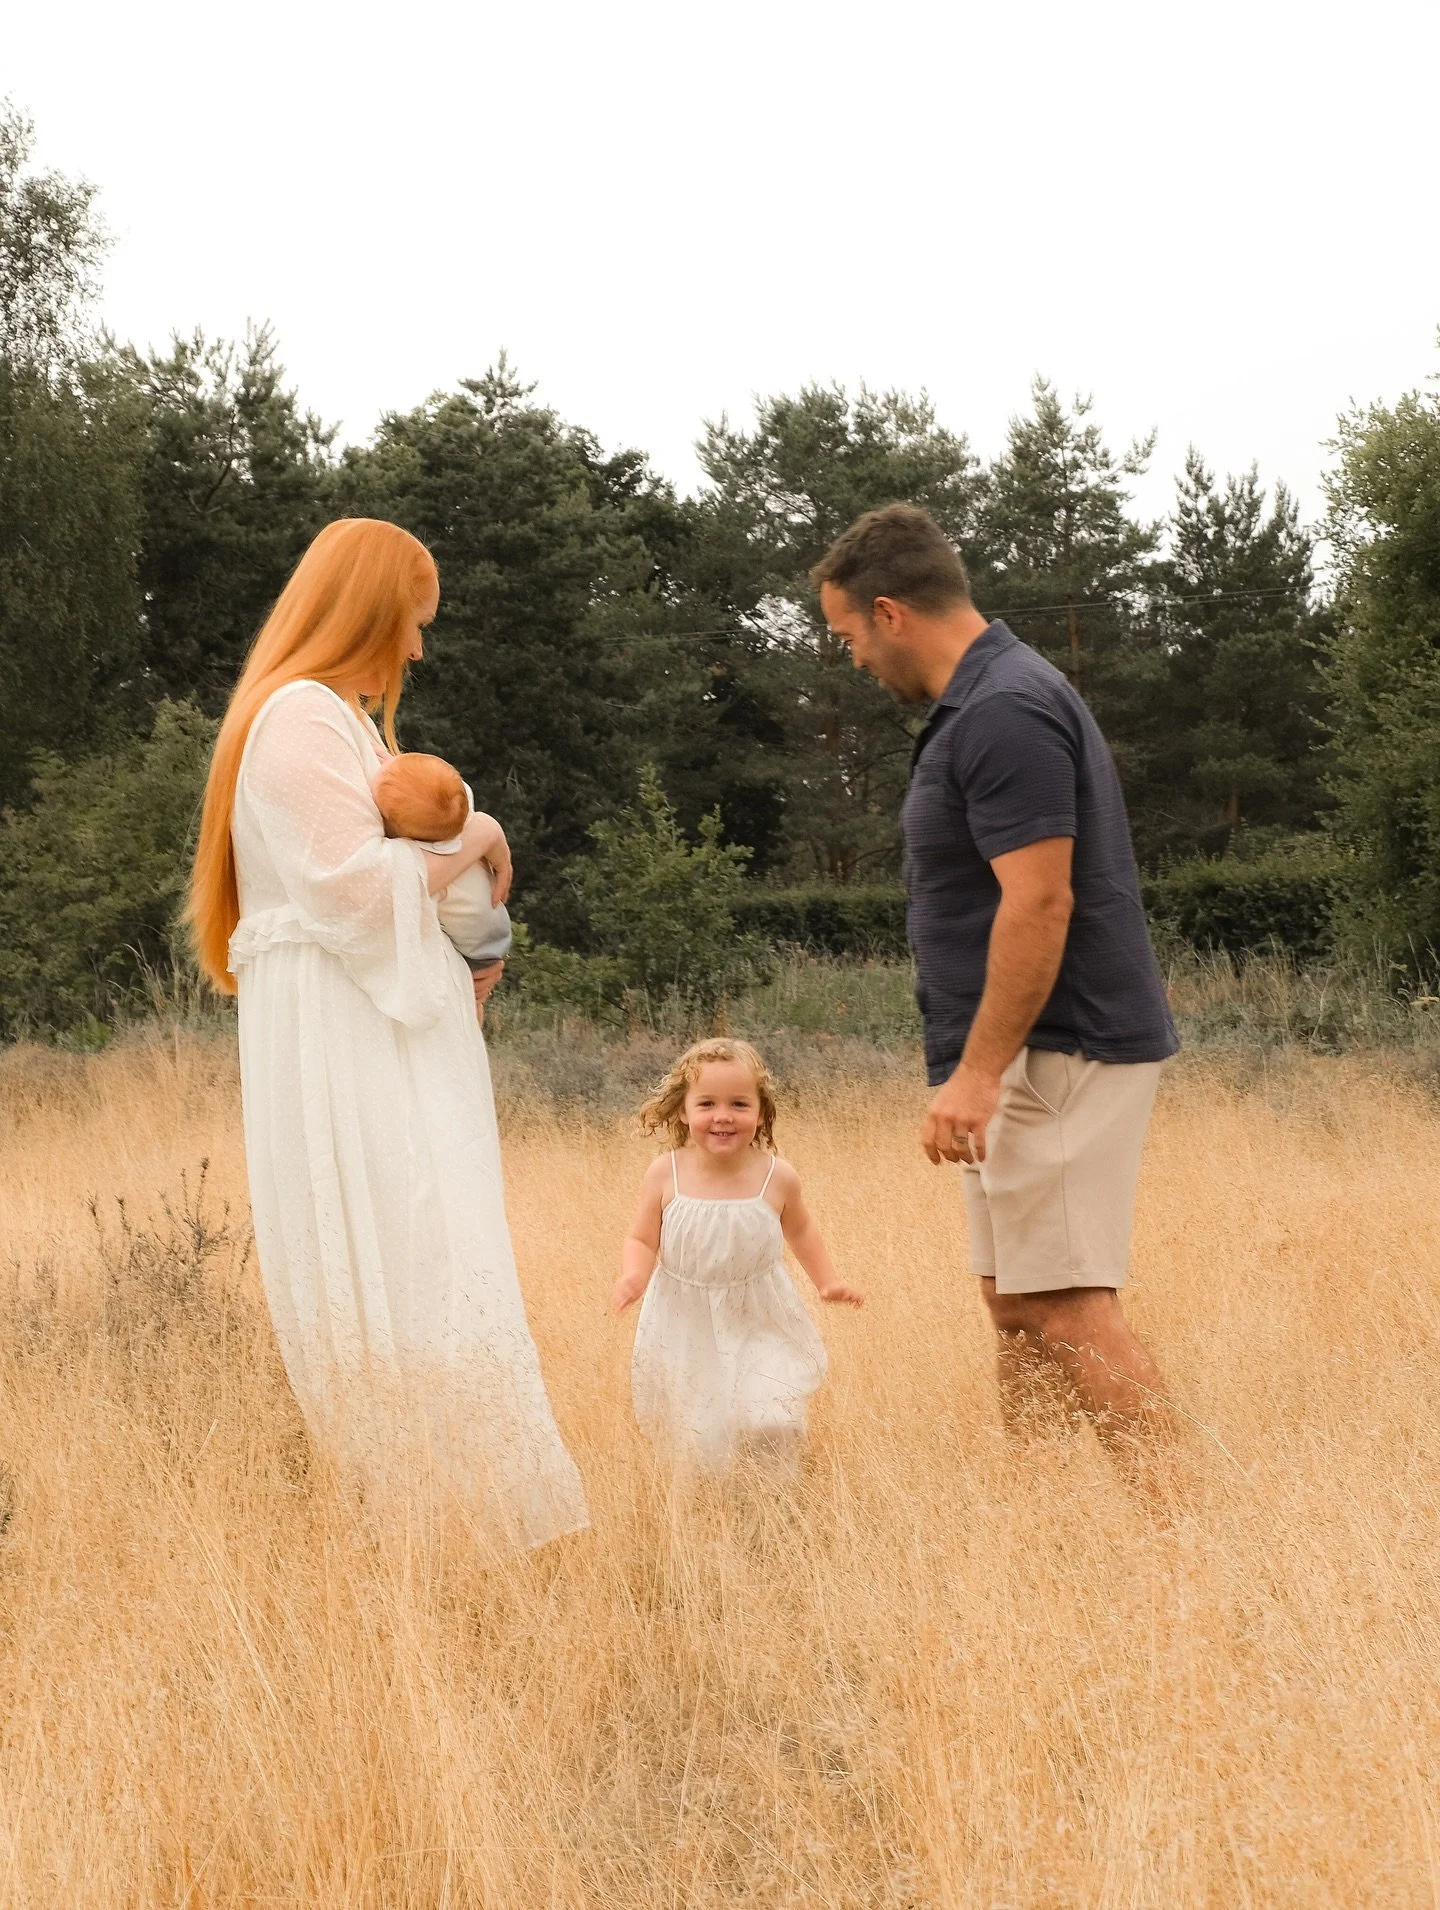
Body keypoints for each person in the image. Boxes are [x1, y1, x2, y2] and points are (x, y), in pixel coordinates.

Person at [188, 517, 588, 1548]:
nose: (417, 649)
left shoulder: (332, 721)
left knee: (426, 1250)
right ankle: (435, 1533)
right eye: (412, 624)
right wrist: (479, 835)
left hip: (357, 1020)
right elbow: (354, 893)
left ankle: (456, 1533)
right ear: (366, 610)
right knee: (401, 1257)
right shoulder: (299, 717)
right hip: (340, 1033)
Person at [811, 504, 1180, 1469]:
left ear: (890, 612)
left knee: (1063, 1304)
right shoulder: (984, 703)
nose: (850, 658)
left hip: (1057, 1047)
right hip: (1023, 1050)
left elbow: (1040, 902)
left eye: (846, 635)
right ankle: (1044, 1528)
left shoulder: (1005, 709)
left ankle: (1195, 1541)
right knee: (1015, 1301)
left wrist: (977, 1075)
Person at [613, 1038, 863, 1471]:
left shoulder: (776, 1176)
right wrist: (634, 1274)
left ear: (761, 1112)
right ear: (682, 1111)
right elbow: (641, 1238)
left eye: (739, 1104)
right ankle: (713, 1515)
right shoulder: (665, 1173)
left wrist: (827, 1281)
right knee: (703, 1433)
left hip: (759, 1313)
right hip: (685, 1319)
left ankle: (775, 1513)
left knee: (771, 1418)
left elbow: (801, 1229)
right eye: (707, 1103)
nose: (723, 1116)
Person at [372, 751, 514, 985]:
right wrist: (397, 769)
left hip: (479, 948)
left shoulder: (435, 867)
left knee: (473, 994)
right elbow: (423, 788)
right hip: (495, 921)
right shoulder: (460, 806)